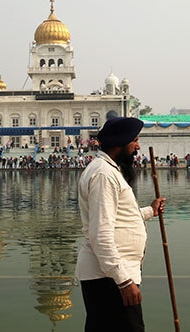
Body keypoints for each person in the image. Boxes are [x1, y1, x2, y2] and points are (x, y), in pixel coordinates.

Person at [76, 117, 166, 332]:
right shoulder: (104, 175)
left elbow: (118, 218)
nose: (138, 146)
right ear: (121, 142)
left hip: (108, 274)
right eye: (134, 140)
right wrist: (124, 281)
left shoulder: (108, 170)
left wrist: (149, 211)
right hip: (108, 277)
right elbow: (101, 234)